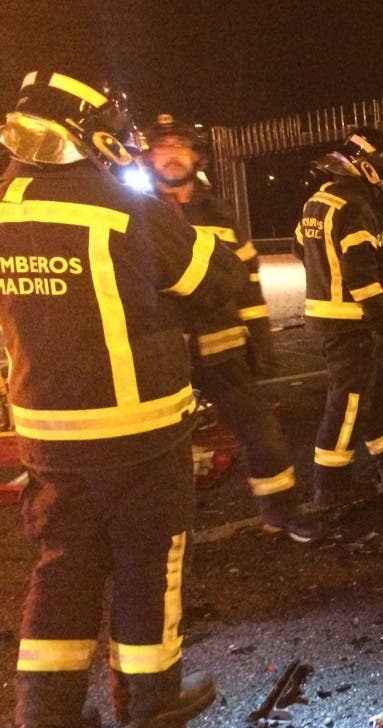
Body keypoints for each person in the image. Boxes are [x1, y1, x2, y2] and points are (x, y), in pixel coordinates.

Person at [0, 71, 243, 728]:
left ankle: (45, 720)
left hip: (45, 432)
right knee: (147, 559)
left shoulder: (3, 203)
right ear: (90, 128)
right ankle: (148, 701)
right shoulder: (120, 205)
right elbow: (214, 281)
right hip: (135, 428)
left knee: (60, 564)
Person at [144, 114, 313, 541]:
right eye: (163, 147)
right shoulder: (133, 212)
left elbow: (249, 281)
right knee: (153, 450)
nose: (172, 155)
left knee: (263, 432)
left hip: (223, 348)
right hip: (159, 353)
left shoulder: (220, 214)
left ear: (195, 155)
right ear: (149, 156)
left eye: (180, 146)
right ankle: (156, 536)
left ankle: (282, 511)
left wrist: (260, 339)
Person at [296, 127, 383, 508]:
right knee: (347, 405)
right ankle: (330, 488)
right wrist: (381, 320)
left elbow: (300, 248)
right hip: (351, 321)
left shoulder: (318, 200)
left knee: (369, 397)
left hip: (326, 317)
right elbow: (361, 271)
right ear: (368, 168)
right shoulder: (355, 206)